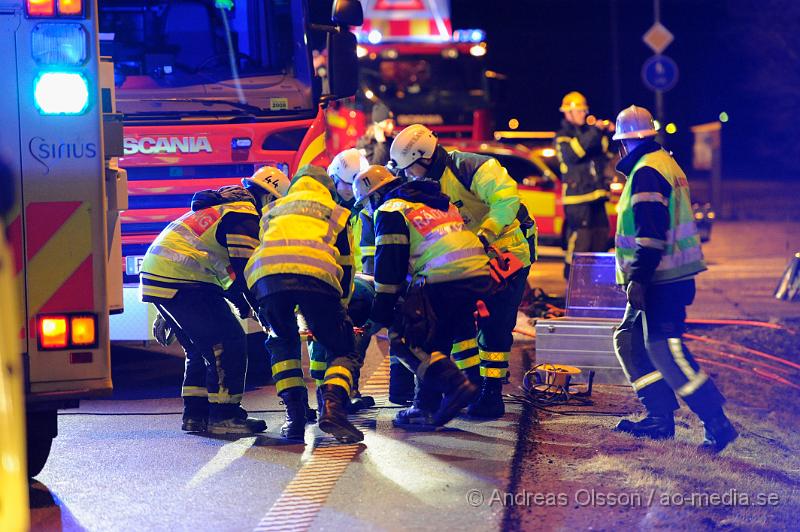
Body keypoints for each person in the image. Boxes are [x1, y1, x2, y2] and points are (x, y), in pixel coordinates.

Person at [611, 105, 737, 453]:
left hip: (660, 278)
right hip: (665, 276)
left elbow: (650, 235)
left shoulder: (647, 172)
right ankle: (658, 418)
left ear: (626, 142)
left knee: (665, 349)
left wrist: (638, 279)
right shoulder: (661, 163)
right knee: (630, 339)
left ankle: (717, 423)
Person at [389, 125, 533, 419]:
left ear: (425, 158)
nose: (408, 176)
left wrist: (484, 235)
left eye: (410, 169)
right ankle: (465, 387)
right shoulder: (426, 183)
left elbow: (506, 200)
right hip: (467, 259)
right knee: (453, 325)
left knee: (495, 327)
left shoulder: (472, 167)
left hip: (505, 253)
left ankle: (491, 395)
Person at [140, 166, 290, 435]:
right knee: (229, 342)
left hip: (166, 278)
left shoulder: (223, 209)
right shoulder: (244, 216)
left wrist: (169, 311)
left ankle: (195, 416)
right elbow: (247, 272)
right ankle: (225, 416)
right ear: (270, 199)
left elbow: (226, 275)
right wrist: (264, 310)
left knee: (200, 350)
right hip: (185, 282)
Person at [353, 165, 493, 426]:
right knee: (434, 339)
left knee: (403, 339)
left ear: (373, 196)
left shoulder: (390, 210)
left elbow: (389, 271)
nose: (368, 211)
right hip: (477, 273)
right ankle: (425, 406)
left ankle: (455, 386)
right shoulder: (435, 202)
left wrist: (379, 314)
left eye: (366, 204)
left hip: (443, 277)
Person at [245, 165, 363, 443]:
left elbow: (266, 245)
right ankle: (333, 407)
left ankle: (294, 417)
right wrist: (341, 306)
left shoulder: (274, 208)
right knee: (342, 347)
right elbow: (346, 266)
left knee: (282, 343)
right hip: (317, 277)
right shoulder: (337, 211)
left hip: (267, 279)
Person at [328, 148, 417, 406]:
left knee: (382, 332)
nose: (350, 190)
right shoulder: (338, 208)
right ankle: (343, 394)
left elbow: (373, 258)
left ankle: (397, 393)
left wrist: (381, 296)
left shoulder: (372, 210)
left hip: (370, 283)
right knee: (356, 337)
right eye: (347, 183)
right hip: (350, 283)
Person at [554, 91, 613, 280]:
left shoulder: (590, 134)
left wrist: (606, 133)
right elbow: (573, 155)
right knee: (581, 240)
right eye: (579, 111)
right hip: (577, 199)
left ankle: (594, 285)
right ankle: (572, 279)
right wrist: (595, 132)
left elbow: (605, 154)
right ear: (568, 113)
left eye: (584, 110)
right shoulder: (563, 137)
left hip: (596, 196)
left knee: (600, 238)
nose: (583, 114)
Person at [357, 102, 396, 166]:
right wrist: (381, 143)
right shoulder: (363, 143)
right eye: (387, 123)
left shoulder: (392, 141)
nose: (391, 126)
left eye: (392, 122)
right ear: (377, 124)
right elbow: (374, 168)